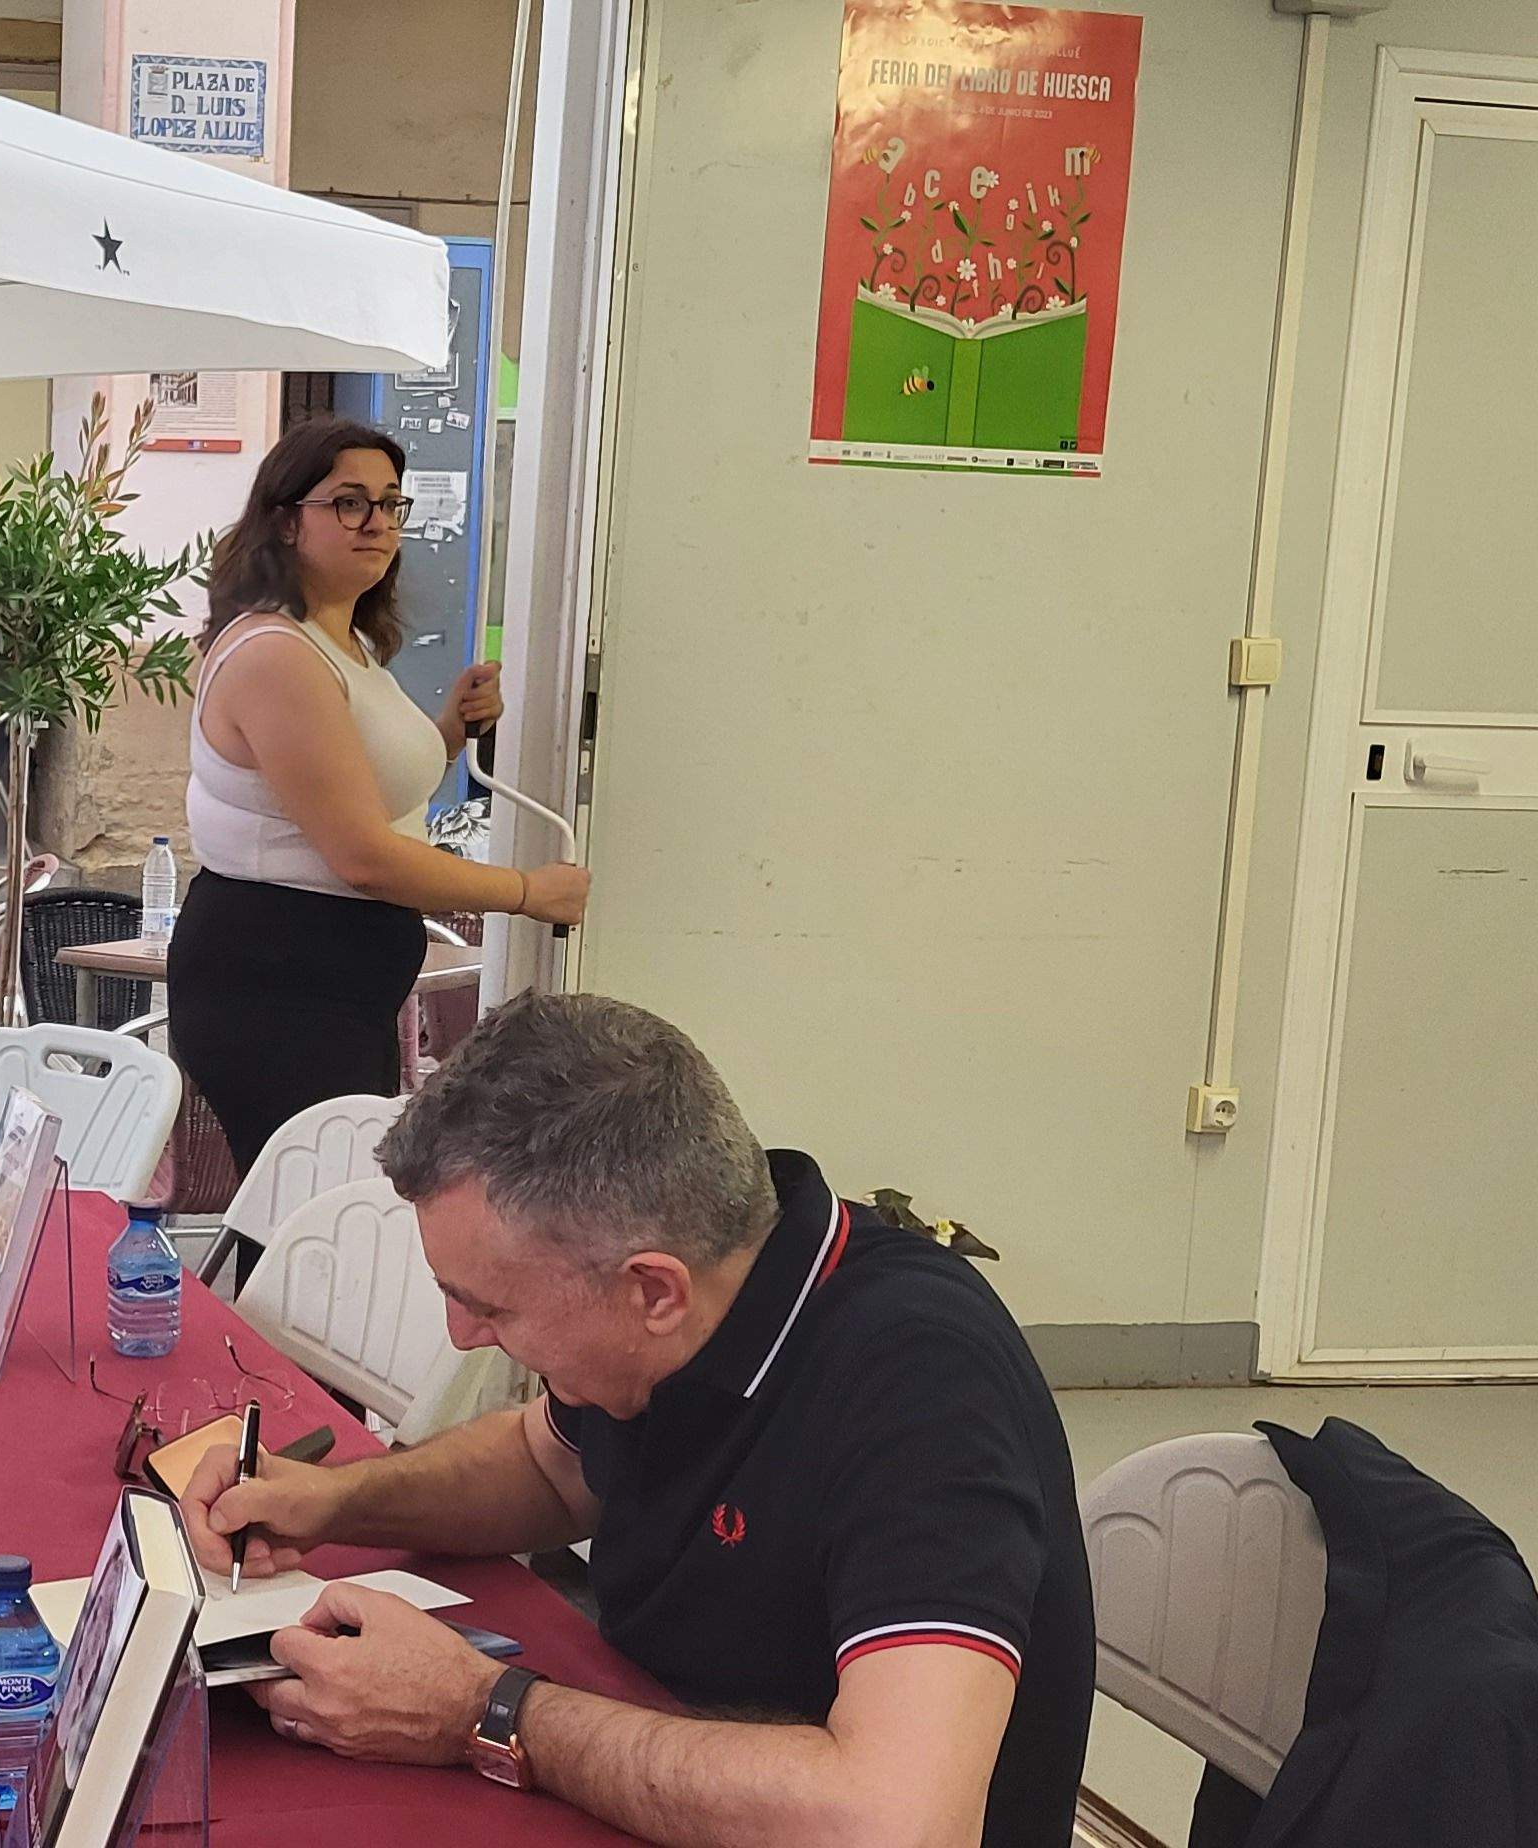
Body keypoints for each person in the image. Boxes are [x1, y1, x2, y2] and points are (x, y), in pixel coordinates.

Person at [179, 995, 1094, 1848]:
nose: (461, 1336)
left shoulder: (919, 1383)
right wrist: (334, 1500)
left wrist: (483, 1713)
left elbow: (897, 1821)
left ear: (654, 1291)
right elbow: (546, 1467)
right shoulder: (698, 1297)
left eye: (490, 1306)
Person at [168, 418, 583, 1174]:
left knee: (329, 1213)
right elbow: (362, 855)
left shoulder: (343, 643)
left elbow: (365, 787)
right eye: (349, 502)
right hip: (277, 980)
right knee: (318, 1214)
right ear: (285, 521)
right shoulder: (276, 655)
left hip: (335, 984)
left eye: (391, 504)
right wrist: (527, 892)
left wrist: (451, 730)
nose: (378, 524)